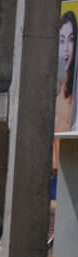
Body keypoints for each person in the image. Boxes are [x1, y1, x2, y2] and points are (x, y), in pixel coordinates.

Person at [55, 12, 77, 164]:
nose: (66, 48)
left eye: (71, 40)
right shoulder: (54, 81)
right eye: (62, 41)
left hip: (66, 162)